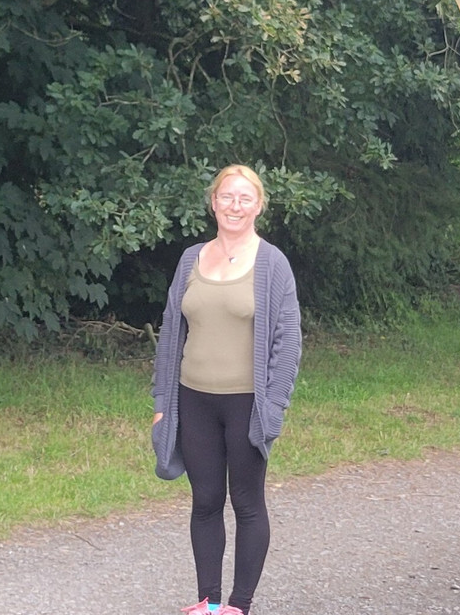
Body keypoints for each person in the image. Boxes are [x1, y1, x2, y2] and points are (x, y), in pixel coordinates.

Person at [151, 165, 302, 615]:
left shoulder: (272, 263)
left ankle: (239, 605)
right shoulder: (190, 259)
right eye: (227, 197)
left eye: (245, 198)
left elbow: (288, 342)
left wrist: (273, 406)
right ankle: (209, 603)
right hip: (192, 399)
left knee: (247, 502)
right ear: (213, 202)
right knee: (206, 501)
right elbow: (170, 332)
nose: (235, 206)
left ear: (259, 206)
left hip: (246, 405)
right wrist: (163, 403)